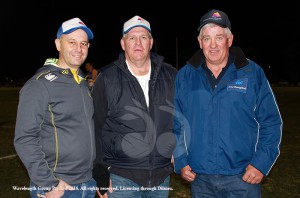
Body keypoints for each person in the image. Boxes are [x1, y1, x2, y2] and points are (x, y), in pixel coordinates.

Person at [172, 9, 283, 198]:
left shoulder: (252, 73)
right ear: (200, 42)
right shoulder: (185, 76)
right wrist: (181, 161)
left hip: (243, 177)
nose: (213, 45)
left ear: (229, 40)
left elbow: (271, 122)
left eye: (219, 37)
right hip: (200, 179)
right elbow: (174, 123)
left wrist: (261, 164)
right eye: (207, 38)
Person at [92, 15, 177, 198]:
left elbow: (182, 117)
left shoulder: (171, 75)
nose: (138, 42)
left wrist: (178, 148)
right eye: (132, 37)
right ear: (123, 43)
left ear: (151, 42)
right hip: (121, 176)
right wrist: (100, 172)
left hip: (161, 177)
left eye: (143, 37)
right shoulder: (106, 78)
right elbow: (95, 128)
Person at [14, 17, 98, 198]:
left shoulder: (82, 82)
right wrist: (48, 184)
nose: (79, 48)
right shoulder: (39, 85)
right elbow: (24, 138)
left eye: (83, 43)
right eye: (72, 42)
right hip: (59, 186)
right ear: (58, 44)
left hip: (87, 182)